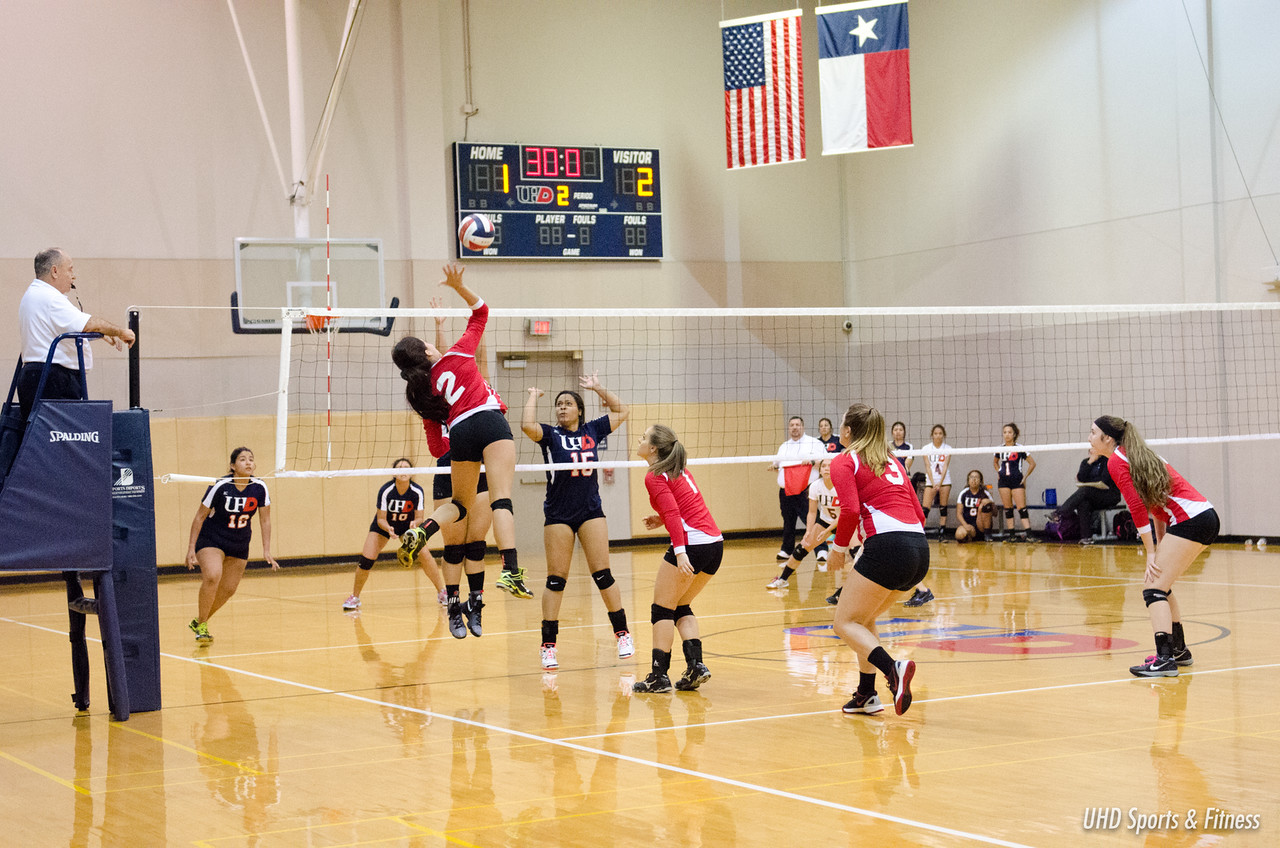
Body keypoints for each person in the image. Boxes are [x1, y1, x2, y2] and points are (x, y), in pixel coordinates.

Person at [392, 264, 524, 643]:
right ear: (429, 353)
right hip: (474, 448)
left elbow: (437, 444)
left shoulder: (425, 395)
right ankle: (482, 590)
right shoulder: (462, 366)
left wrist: (456, 428)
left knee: (469, 538)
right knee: (472, 534)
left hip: (460, 450)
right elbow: (476, 322)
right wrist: (460, 288)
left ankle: (469, 602)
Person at [1090, 416, 1219, 677]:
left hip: (1190, 519)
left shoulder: (1117, 460)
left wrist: (1150, 552)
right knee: (1162, 585)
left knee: (1153, 589)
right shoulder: (1136, 455)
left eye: (1093, 433)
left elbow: (1137, 506)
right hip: (1202, 517)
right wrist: (1159, 547)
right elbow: (1156, 507)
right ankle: (1178, 651)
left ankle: (1164, 659)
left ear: (1107, 438)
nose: (1089, 438)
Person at [521, 373, 633, 670]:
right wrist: (533, 395)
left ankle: (622, 634)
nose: (562, 408)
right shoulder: (549, 435)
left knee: (603, 575)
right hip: (558, 514)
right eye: (558, 404)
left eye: (568, 404)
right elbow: (526, 426)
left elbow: (622, 410)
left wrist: (598, 388)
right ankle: (548, 647)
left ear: (579, 410)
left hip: (590, 512)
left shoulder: (593, 430)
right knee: (556, 580)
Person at [826, 404, 928, 716]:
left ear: (847, 432)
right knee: (863, 619)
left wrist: (839, 549)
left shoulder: (844, 461)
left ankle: (892, 669)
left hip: (887, 547)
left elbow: (852, 510)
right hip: (919, 550)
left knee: (843, 622)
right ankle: (866, 694)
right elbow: (920, 513)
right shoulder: (894, 462)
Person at [411, 299, 497, 640]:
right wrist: (459, 441)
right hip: (451, 469)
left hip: (479, 469)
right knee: (455, 547)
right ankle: (454, 607)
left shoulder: (469, 387)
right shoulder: (429, 401)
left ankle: (475, 604)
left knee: (477, 543)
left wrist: (441, 326)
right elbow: (435, 449)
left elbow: (465, 362)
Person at [633, 424, 724, 694]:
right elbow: (684, 508)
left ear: (653, 448)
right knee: (681, 604)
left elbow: (675, 515)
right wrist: (660, 519)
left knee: (662, 609)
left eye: (643, 437)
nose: (638, 440)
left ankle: (658, 677)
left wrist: (681, 551)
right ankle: (696, 666)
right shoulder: (678, 469)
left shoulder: (654, 475)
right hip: (714, 545)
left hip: (693, 546)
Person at [17, 248, 135, 422]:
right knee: (61, 439)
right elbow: (88, 324)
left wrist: (100, 335)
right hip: (52, 380)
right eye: (70, 269)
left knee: (44, 440)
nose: (73, 275)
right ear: (55, 271)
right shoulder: (50, 298)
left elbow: (58, 330)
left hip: (38, 376)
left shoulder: (33, 295)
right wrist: (120, 331)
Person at [185, 447, 278, 642]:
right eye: (243, 459)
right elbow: (200, 516)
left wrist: (266, 550)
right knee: (213, 575)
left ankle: (200, 620)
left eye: (251, 459)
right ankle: (202, 626)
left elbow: (265, 520)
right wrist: (191, 547)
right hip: (212, 539)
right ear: (232, 466)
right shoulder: (221, 485)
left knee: (228, 589)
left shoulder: (260, 487)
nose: (248, 463)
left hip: (239, 544)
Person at [341, 458, 445, 612]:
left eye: (407, 468)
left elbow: (419, 517)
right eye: (400, 468)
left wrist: (414, 524)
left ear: (412, 473)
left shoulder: (417, 491)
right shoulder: (386, 490)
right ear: (394, 473)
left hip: (407, 527)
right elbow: (381, 518)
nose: (403, 471)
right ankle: (354, 597)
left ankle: (442, 592)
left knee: (425, 554)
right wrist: (388, 528)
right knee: (366, 560)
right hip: (384, 526)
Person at [766, 459, 844, 589]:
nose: (826, 468)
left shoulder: (842, 485)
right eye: (823, 466)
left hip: (845, 522)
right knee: (802, 548)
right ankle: (782, 579)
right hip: (825, 521)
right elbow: (812, 512)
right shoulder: (815, 486)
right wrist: (808, 531)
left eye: (830, 466)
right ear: (819, 470)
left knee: (856, 552)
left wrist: (827, 531)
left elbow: (845, 514)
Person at [771, 416, 824, 560]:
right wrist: (775, 467)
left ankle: (821, 549)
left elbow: (825, 461)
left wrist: (813, 461)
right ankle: (787, 550)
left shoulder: (814, 443)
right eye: (792, 425)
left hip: (805, 490)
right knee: (788, 521)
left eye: (797, 425)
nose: (794, 427)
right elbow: (776, 465)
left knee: (812, 519)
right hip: (786, 490)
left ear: (803, 427)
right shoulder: (784, 446)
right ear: (789, 428)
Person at [1057, 446, 1121, 545]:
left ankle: (1060, 513)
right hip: (1093, 496)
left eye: (1096, 449)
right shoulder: (1085, 462)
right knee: (1083, 502)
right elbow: (1081, 478)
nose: (1093, 451)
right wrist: (1090, 462)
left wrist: (1089, 482)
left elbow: (1104, 480)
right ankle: (1086, 537)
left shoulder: (1107, 461)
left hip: (1109, 495)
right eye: (1091, 449)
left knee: (1085, 490)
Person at [994, 423, 1037, 542]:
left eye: (1009, 432)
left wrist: (1025, 477)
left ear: (1014, 434)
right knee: (1008, 509)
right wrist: (999, 472)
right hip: (1003, 482)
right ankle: (1011, 535)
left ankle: (1029, 535)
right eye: (1005, 432)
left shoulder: (1019, 448)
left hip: (1017, 481)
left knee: (1021, 508)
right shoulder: (999, 448)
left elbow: (1032, 463)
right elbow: (995, 462)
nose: (1007, 435)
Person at [954, 470, 996, 543]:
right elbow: (959, 513)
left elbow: (995, 513)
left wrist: (990, 502)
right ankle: (970, 537)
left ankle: (987, 534)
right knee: (959, 535)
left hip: (981, 525)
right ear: (968, 480)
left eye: (976, 477)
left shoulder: (985, 493)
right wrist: (965, 525)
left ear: (980, 481)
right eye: (972, 477)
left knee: (984, 506)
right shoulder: (963, 493)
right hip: (969, 524)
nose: (974, 480)